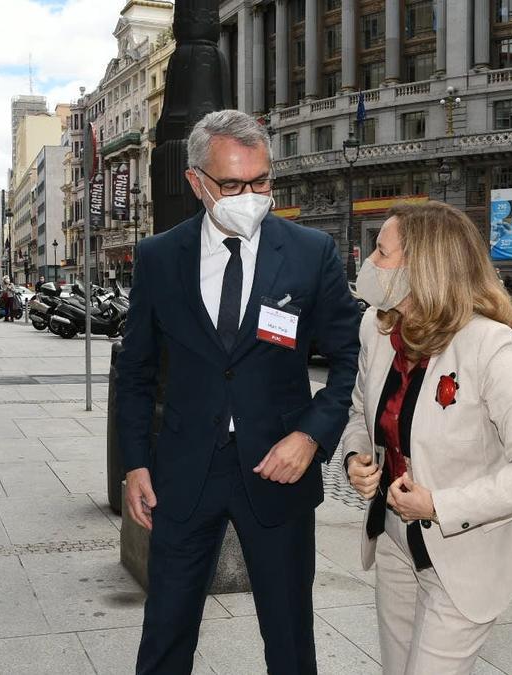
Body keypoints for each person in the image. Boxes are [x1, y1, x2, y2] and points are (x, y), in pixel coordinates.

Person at [116, 109, 360, 674]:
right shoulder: (158, 258)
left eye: (261, 181)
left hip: (279, 468)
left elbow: (351, 360)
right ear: (197, 181)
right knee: (166, 632)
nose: (249, 195)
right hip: (183, 472)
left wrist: (311, 436)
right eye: (232, 184)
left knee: (290, 635)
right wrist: (134, 463)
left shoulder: (309, 252)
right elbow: (136, 372)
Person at [341, 202, 512, 674]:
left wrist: (440, 505)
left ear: (423, 267)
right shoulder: (377, 329)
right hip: (395, 543)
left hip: (466, 555)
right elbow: (361, 410)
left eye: (382, 252)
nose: (370, 263)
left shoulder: (489, 345)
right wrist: (356, 457)